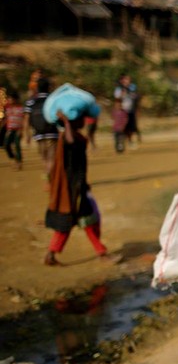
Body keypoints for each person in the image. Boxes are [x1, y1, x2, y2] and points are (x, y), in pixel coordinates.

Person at [44, 109, 120, 266]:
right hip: (71, 190)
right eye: (79, 119)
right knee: (86, 222)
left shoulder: (77, 137)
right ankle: (102, 254)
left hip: (77, 187)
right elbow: (70, 142)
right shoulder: (67, 138)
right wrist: (66, 122)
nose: (83, 122)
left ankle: (50, 255)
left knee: (75, 223)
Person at [23, 77, 60, 179]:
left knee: (44, 156)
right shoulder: (53, 99)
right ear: (48, 87)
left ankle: (47, 172)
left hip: (38, 133)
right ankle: (50, 174)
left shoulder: (31, 101)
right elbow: (59, 114)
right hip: (52, 132)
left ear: (37, 88)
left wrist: (27, 134)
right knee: (51, 156)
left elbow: (26, 119)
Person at [114, 74, 140, 147]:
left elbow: (136, 98)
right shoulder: (119, 89)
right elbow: (117, 100)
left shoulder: (132, 88)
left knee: (131, 127)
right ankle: (120, 142)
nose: (127, 81)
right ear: (121, 80)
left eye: (128, 79)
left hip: (131, 110)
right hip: (122, 111)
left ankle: (130, 141)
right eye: (125, 79)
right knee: (121, 127)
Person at [3, 90, 25, 170]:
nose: (9, 100)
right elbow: (6, 118)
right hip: (10, 130)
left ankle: (19, 162)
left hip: (18, 130)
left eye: (11, 98)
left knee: (17, 145)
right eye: (9, 98)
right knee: (6, 145)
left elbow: (23, 120)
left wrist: (21, 130)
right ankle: (14, 158)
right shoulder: (7, 108)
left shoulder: (21, 108)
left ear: (15, 99)